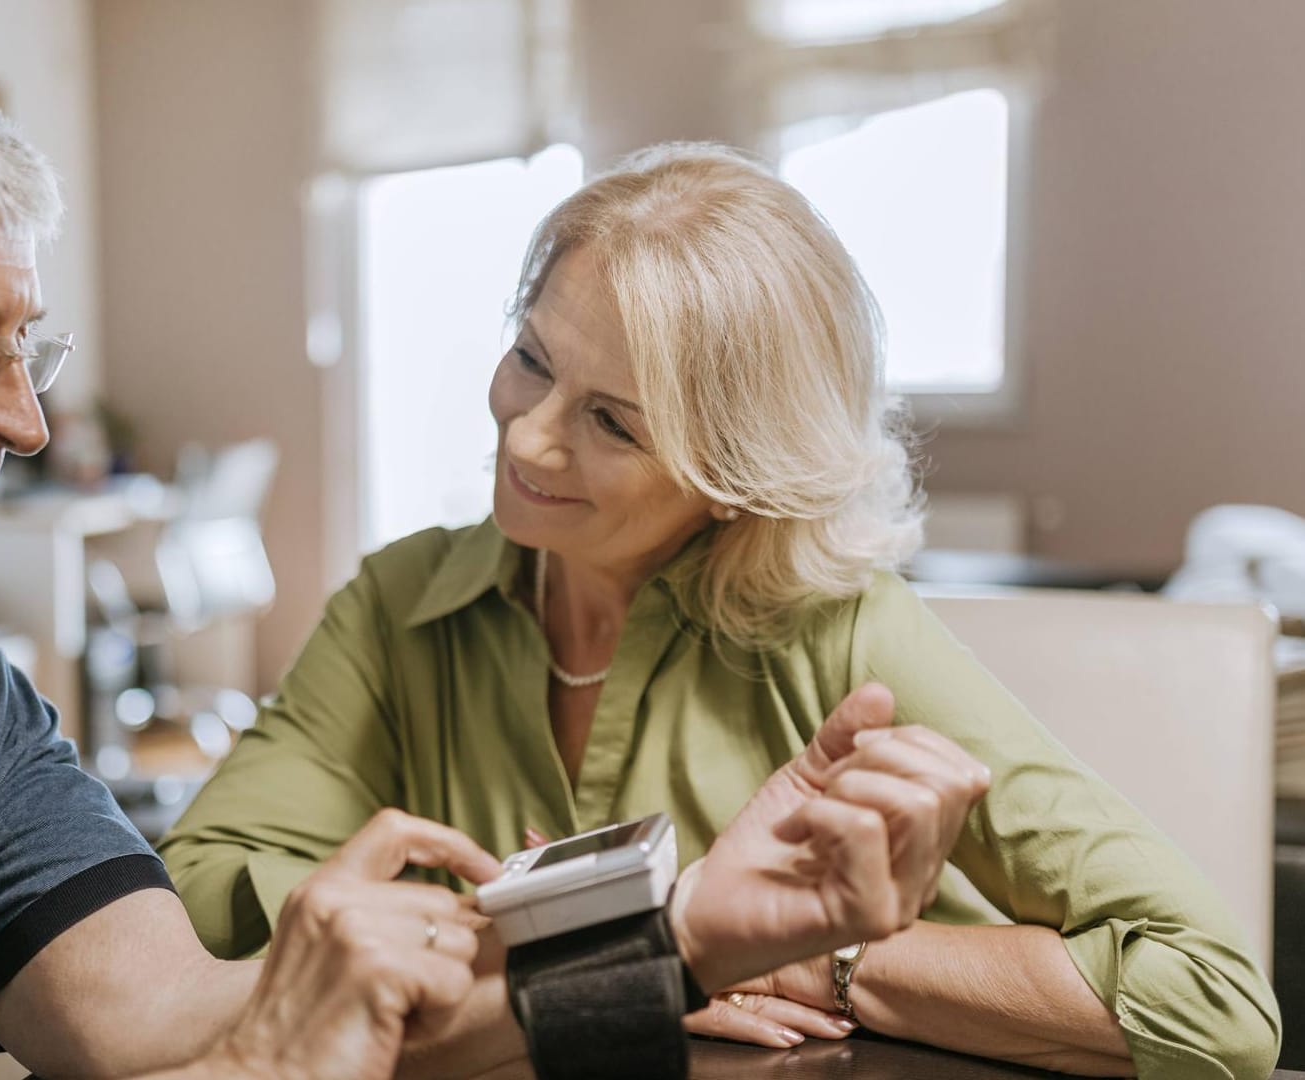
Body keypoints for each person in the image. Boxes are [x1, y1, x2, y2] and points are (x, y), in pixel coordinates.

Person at [0, 4, 986, 1078]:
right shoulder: (402, 599)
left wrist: (682, 936)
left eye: (22, 347)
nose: (22, 421)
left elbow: (171, 1026)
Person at [161, 143, 1283, 1079]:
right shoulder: (400, 601)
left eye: (613, 421)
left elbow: (1216, 1001)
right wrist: (616, 952)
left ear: (734, 472)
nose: (527, 434)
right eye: (529, 359)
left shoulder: (844, 631)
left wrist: (808, 958)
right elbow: (195, 903)